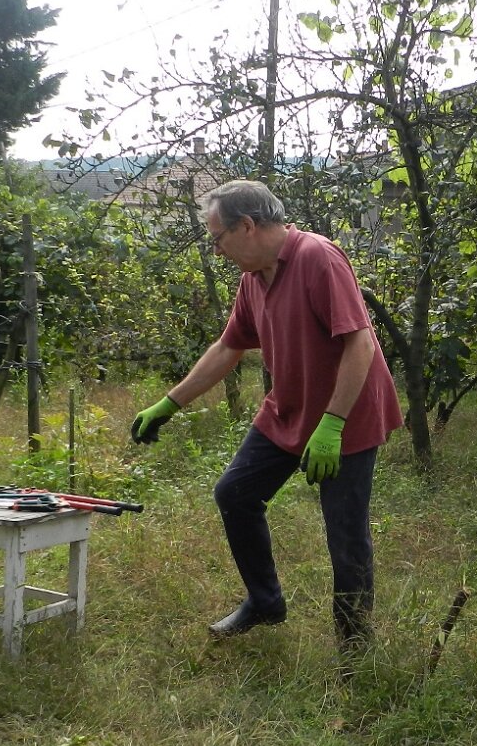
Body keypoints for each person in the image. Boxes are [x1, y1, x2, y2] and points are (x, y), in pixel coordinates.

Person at [130, 180, 404, 648]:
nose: (216, 250)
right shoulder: (253, 278)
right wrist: (169, 403)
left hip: (346, 417)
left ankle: (355, 642)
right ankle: (265, 602)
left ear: (247, 226)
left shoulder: (318, 257)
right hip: (288, 410)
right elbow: (229, 346)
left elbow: (360, 344)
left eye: (218, 238)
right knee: (235, 494)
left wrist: (333, 424)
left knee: (345, 532)